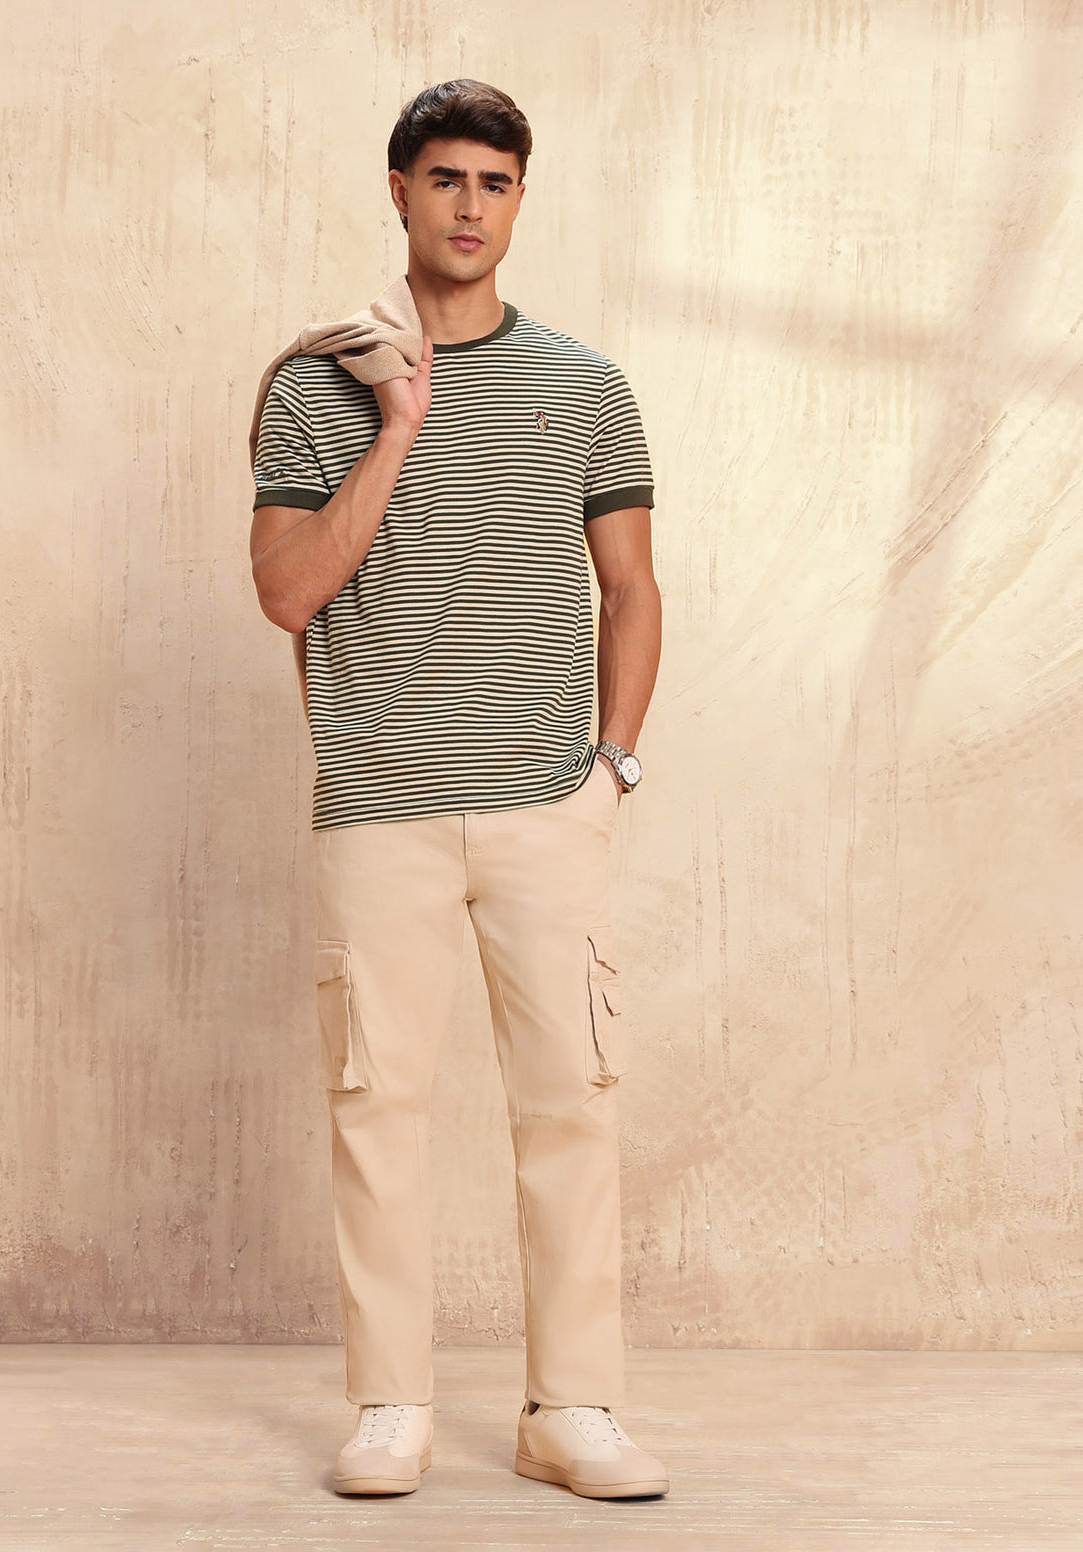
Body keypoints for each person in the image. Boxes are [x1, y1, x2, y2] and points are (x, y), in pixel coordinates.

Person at [249, 78, 666, 1500]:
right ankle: (393, 1408)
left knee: (572, 1107)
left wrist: (612, 765)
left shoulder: (587, 384)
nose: (470, 206)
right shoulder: (317, 385)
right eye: (445, 178)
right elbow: (289, 592)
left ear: (519, 198)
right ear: (400, 191)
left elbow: (632, 586)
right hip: (379, 806)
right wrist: (398, 423)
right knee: (379, 1108)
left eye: (494, 181)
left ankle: (573, 1408)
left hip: (549, 804)